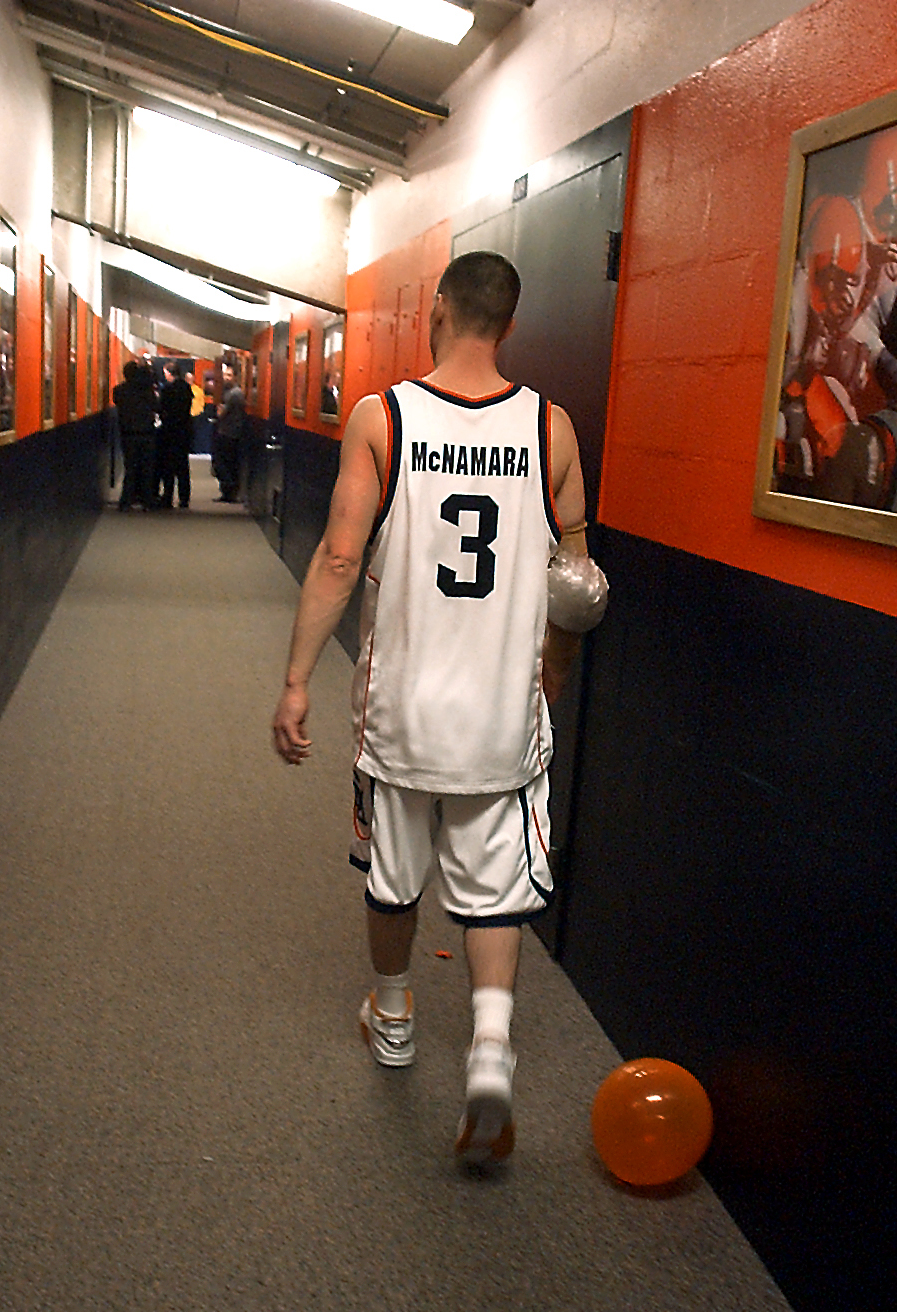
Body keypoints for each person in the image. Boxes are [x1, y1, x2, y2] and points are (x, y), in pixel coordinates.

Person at [271, 251, 596, 1166]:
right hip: (501, 715)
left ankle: (399, 1014)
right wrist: (552, 677)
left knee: (393, 871)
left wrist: (296, 678)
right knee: (494, 897)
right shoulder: (551, 430)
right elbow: (576, 582)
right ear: (511, 325)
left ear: (441, 310)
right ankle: (490, 1054)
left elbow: (340, 557)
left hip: (401, 713)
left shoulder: (385, 417)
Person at [111, 360, 158, 511]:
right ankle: (147, 501)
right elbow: (156, 407)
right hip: (147, 433)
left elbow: (118, 403)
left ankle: (126, 501)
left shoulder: (119, 390)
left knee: (130, 468)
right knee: (146, 468)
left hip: (128, 434)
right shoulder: (147, 391)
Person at [156, 361, 195, 509]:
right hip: (184, 431)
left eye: (166, 373)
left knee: (168, 467)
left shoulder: (168, 389)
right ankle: (184, 498)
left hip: (170, 431)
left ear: (169, 373)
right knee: (183, 466)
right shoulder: (186, 388)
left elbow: (161, 408)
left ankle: (168, 497)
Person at [213, 364, 246, 502]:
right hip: (229, 432)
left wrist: (220, 411)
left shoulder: (234, 394)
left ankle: (229, 493)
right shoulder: (231, 392)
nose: (226, 378)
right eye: (225, 375)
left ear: (236, 377)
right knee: (227, 464)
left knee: (227, 464)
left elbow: (222, 413)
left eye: (229, 375)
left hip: (229, 433)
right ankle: (227, 492)